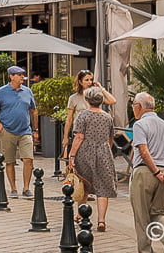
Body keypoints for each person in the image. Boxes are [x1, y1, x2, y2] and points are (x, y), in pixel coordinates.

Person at [129, 92, 164, 253]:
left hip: (145, 172)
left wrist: (156, 173)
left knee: (142, 216)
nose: (133, 109)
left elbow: (144, 152)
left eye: (133, 105)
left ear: (139, 106)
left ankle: (145, 250)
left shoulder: (140, 125)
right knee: (159, 212)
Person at [69, 84, 118, 230]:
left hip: (84, 152)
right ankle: (101, 221)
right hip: (104, 152)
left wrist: (72, 155)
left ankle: (81, 215)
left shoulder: (83, 115)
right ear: (101, 100)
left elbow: (79, 137)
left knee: (83, 184)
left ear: (87, 99)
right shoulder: (107, 117)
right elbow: (111, 138)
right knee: (103, 187)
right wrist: (106, 149)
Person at [0, 65, 38, 196]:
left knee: (28, 159)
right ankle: (13, 188)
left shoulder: (27, 91)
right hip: (8, 130)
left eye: (23, 74)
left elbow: (33, 110)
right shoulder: (2, 92)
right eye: (19, 75)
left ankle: (26, 188)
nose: (22, 77)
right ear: (11, 76)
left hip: (25, 131)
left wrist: (35, 129)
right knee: (9, 161)